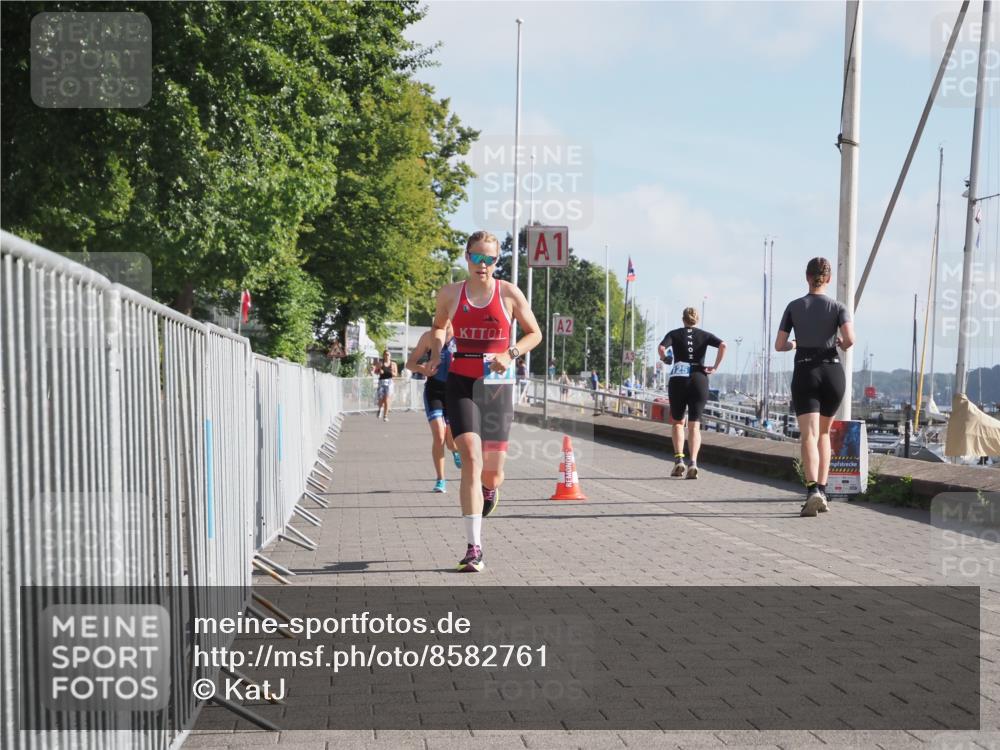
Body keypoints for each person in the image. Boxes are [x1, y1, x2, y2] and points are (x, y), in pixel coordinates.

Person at [428, 231, 542, 572]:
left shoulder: (508, 293)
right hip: (461, 381)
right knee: (472, 460)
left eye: (490, 259)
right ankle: (474, 548)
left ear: (496, 262)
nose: (483, 265)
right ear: (467, 257)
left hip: (497, 386)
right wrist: (436, 353)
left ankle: (489, 492)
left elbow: (534, 333)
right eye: (477, 258)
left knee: (492, 474)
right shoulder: (450, 294)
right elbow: (438, 326)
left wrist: (511, 353)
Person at [774, 256, 855, 517]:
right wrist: (841, 343)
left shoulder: (794, 306)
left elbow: (779, 345)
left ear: (807, 277)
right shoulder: (838, 306)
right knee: (824, 434)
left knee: (807, 435)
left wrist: (794, 344)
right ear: (828, 279)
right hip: (832, 372)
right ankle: (823, 488)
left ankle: (812, 491)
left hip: (806, 370)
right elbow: (850, 339)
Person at [658, 307, 726, 479]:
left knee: (678, 422)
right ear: (697, 319)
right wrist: (715, 366)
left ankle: (679, 459)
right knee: (695, 425)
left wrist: (665, 358)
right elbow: (723, 345)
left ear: (683, 319)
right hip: (699, 378)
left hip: (679, 379)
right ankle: (693, 462)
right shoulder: (704, 335)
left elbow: (661, 348)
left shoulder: (674, 333)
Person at [407, 324, 463, 493]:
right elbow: (410, 363)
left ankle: (454, 450)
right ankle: (440, 479)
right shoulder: (428, 337)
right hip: (434, 391)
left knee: (451, 439)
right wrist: (421, 368)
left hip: (455, 392)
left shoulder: (461, 337)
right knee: (439, 434)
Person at [375, 349, 397, 421]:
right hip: (381, 381)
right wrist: (379, 371)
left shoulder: (393, 364)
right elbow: (375, 371)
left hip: (389, 382)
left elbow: (395, 374)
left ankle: (385, 416)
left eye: (388, 354)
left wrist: (390, 372)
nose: (387, 356)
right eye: (385, 354)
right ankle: (380, 409)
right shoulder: (380, 363)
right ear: (383, 356)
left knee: (387, 399)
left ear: (390, 356)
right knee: (381, 399)